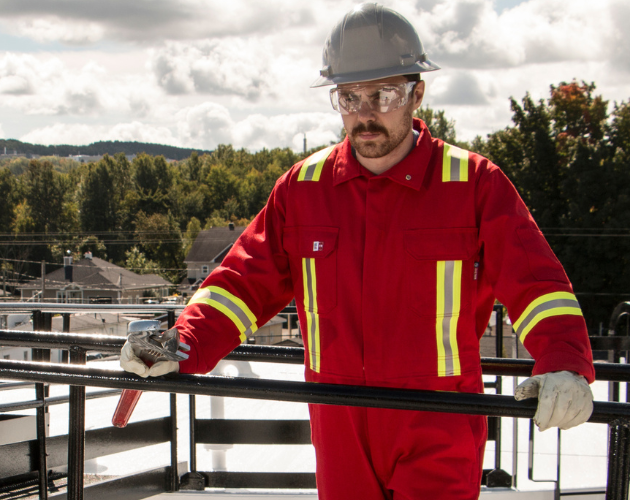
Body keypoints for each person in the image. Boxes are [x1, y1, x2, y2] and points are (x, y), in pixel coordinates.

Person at [120, 3, 596, 499]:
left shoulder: (474, 184)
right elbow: (242, 283)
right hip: (338, 420)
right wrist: (182, 343)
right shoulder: (302, 189)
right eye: (349, 97)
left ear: (416, 94)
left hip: (439, 421)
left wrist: (563, 361)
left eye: (384, 94)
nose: (366, 113)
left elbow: (536, 284)